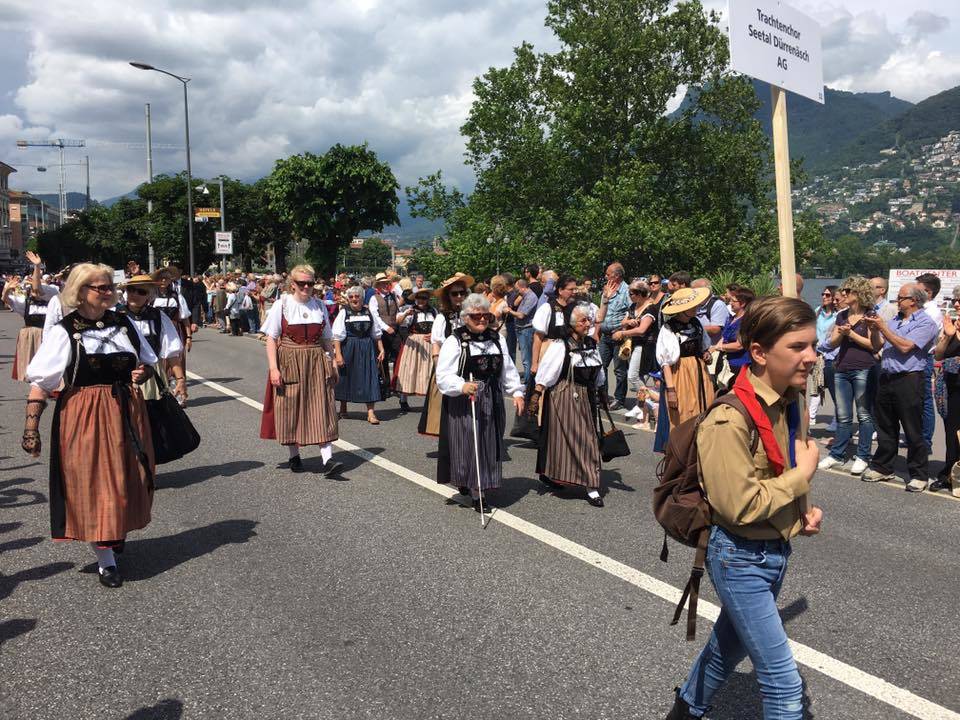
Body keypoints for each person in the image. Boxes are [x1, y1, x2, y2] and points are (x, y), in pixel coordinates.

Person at [666, 295, 823, 720]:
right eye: (797, 347)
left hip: (774, 551)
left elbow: (773, 476)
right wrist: (802, 476)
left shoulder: (789, 402)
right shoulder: (728, 420)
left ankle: (683, 713)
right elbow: (739, 507)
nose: (811, 356)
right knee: (784, 685)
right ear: (758, 352)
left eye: (813, 344)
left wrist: (800, 511)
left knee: (724, 653)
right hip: (739, 558)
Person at [22, 263, 159, 589]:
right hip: (85, 415)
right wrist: (31, 428)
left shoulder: (124, 323)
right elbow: (42, 383)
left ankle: (115, 530)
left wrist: (142, 374)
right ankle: (105, 559)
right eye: (102, 287)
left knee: (131, 476)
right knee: (98, 483)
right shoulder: (64, 330)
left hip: (126, 409)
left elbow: (149, 363)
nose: (111, 292)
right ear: (81, 292)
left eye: (111, 286)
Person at [435, 293, 524, 512]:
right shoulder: (455, 340)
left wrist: (517, 392)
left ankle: (478, 482)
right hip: (466, 399)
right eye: (476, 316)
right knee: (468, 443)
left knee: (489, 442)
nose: (482, 320)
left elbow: (508, 368)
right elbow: (443, 375)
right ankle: (477, 491)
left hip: (492, 396)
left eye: (485, 315)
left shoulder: (497, 338)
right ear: (466, 318)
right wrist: (461, 385)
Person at [258, 265, 341, 476]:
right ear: (292, 284)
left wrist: (332, 363)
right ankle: (294, 455)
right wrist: (274, 368)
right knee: (291, 406)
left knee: (322, 406)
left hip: (315, 360)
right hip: (290, 359)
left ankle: (328, 459)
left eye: (310, 283)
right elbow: (271, 338)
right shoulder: (282, 304)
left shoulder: (319, 306)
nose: (306, 287)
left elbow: (326, 339)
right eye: (301, 283)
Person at [861, 283, 938, 490]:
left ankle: (919, 474)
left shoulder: (926, 323)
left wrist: (883, 327)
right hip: (887, 376)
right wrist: (874, 329)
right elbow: (877, 346)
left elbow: (905, 347)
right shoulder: (894, 320)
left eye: (901, 297)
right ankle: (883, 467)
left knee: (913, 428)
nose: (897, 300)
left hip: (909, 379)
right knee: (885, 425)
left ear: (913, 300)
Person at [529, 303, 607, 507]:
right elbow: (547, 372)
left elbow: (598, 371)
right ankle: (590, 485)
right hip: (565, 395)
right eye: (583, 320)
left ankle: (578, 479)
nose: (587, 323)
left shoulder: (590, 343)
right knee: (575, 440)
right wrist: (536, 395)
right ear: (572, 324)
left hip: (587, 395)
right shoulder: (561, 345)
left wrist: (602, 390)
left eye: (588, 319)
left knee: (586, 438)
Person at [818, 277, 881, 476]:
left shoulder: (871, 315)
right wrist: (842, 333)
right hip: (842, 367)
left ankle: (863, 456)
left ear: (858, 293)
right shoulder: (842, 315)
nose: (844, 294)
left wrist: (851, 335)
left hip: (863, 367)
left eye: (848, 291)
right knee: (843, 415)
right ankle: (837, 454)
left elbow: (874, 345)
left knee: (864, 414)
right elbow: (834, 342)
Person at [653, 288, 714, 453]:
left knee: (704, 406)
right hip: (680, 373)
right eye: (692, 305)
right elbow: (665, 362)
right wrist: (671, 389)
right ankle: (683, 452)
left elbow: (704, 347)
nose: (696, 308)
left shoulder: (696, 323)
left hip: (699, 372)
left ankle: (701, 449)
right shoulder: (669, 327)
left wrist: (706, 354)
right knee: (684, 412)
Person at [418, 273, 473, 436]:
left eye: (462, 293)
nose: (459, 297)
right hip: (449, 367)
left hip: (469, 365)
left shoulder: (472, 315)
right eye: (454, 294)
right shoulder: (442, 318)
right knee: (447, 406)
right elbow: (436, 343)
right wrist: (438, 368)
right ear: (447, 297)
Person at [118, 274, 186, 404]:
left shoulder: (158, 317)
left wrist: (180, 380)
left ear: (149, 296)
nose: (135, 294)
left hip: (151, 374)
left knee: (153, 417)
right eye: (131, 290)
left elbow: (171, 352)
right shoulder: (115, 316)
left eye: (141, 292)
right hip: (122, 375)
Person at [334, 286, 385, 424]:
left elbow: (376, 333)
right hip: (349, 346)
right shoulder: (344, 312)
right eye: (351, 297)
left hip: (367, 347)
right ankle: (343, 408)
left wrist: (381, 349)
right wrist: (338, 355)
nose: (354, 299)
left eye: (357, 296)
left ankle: (371, 413)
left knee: (369, 377)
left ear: (362, 298)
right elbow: (337, 336)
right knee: (346, 376)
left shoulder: (369, 312)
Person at [4, 251, 57, 381]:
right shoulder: (25, 301)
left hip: (49, 334)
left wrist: (37, 267)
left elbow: (37, 288)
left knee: (51, 365)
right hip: (31, 335)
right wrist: (7, 289)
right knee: (32, 366)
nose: (32, 290)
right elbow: (6, 300)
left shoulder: (51, 294)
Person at [932, 288, 960, 496]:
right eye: (956, 300)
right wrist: (947, 337)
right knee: (952, 433)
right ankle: (949, 474)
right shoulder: (952, 326)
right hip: (952, 386)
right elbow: (938, 355)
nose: (957, 304)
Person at [616, 281, 657, 418]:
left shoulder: (650, 309)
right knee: (640, 377)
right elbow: (623, 322)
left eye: (632, 293)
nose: (630, 295)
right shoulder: (633, 306)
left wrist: (622, 333)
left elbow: (641, 330)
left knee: (633, 376)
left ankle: (651, 402)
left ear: (641, 294)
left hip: (645, 346)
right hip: (634, 345)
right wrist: (628, 322)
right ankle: (641, 406)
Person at [392, 288, 436, 412]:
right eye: (419, 298)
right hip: (414, 342)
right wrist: (406, 314)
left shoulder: (434, 311)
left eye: (424, 298)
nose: (421, 300)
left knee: (428, 371)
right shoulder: (410, 311)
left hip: (429, 343)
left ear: (428, 299)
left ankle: (429, 400)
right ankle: (403, 399)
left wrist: (433, 335)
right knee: (410, 370)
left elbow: (439, 327)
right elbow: (398, 322)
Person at [595, 262, 631, 409]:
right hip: (604, 334)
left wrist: (623, 328)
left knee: (620, 369)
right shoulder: (606, 289)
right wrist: (597, 331)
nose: (605, 276)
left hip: (619, 335)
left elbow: (632, 310)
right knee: (600, 366)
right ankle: (603, 397)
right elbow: (601, 310)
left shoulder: (627, 290)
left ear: (616, 276)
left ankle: (619, 399)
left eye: (608, 274)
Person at [915, 272, 943, 454]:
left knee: (925, 402)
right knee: (916, 401)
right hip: (915, 357)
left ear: (929, 292)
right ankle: (918, 438)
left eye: (917, 290)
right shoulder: (922, 309)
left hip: (923, 357)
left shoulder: (932, 312)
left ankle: (925, 442)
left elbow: (920, 337)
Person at [531, 274, 578, 376]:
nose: (574, 292)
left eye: (576, 289)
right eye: (571, 289)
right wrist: (535, 363)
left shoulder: (576, 308)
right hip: (550, 356)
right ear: (560, 290)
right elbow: (538, 337)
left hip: (571, 357)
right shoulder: (547, 308)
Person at [710, 286, 755, 390]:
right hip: (726, 365)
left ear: (742, 303)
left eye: (733, 301)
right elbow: (724, 337)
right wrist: (715, 347)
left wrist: (718, 348)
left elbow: (739, 345)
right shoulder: (731, 318)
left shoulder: (746, 321)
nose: (730, 303)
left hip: (740, 366)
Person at [808, 286, 838, 427]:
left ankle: (836, 420)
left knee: (834, 389)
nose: (824, 297)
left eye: (827, 295)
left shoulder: (838, 316)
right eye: (823, 294)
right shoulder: (817, 312)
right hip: (818, 355)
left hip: (832, 355)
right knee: (816, 386)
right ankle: (811, 416)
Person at [508, 278, 539, 383]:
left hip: (526, 329)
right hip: (522, 329)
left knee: (527, 359)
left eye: (517, 290)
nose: (517, 292)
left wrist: (510, 311)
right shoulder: (525, 296)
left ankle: (528, 383)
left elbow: (521, 315)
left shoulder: (531, 297)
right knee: (525, 358)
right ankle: (528, 382)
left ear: (522, 287)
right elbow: (516, 305)